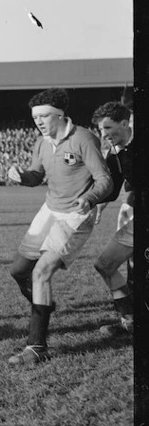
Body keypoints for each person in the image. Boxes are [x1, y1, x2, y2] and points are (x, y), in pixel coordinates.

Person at [6, 88, 112, 365]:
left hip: (74, 216)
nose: (38, 122)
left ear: (61, 115)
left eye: (43, 116)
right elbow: (36, 175)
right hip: (49, 211)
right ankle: (45, 306)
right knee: (19, 270)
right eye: (35, 117)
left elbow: (105, 180)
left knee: (42, 272)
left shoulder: (83, 138)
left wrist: (88, 199)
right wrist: (21, 177)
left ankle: (36, 347)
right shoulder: (41, 142)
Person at [90, 101, 134, 336]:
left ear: (125, 124)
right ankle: (130, 320)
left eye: (107, 128)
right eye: (100, 130)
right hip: (137, 217)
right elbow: (113, 188)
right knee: (105, 265)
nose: (103, 135)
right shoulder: (115, 151)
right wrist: (95, 203)